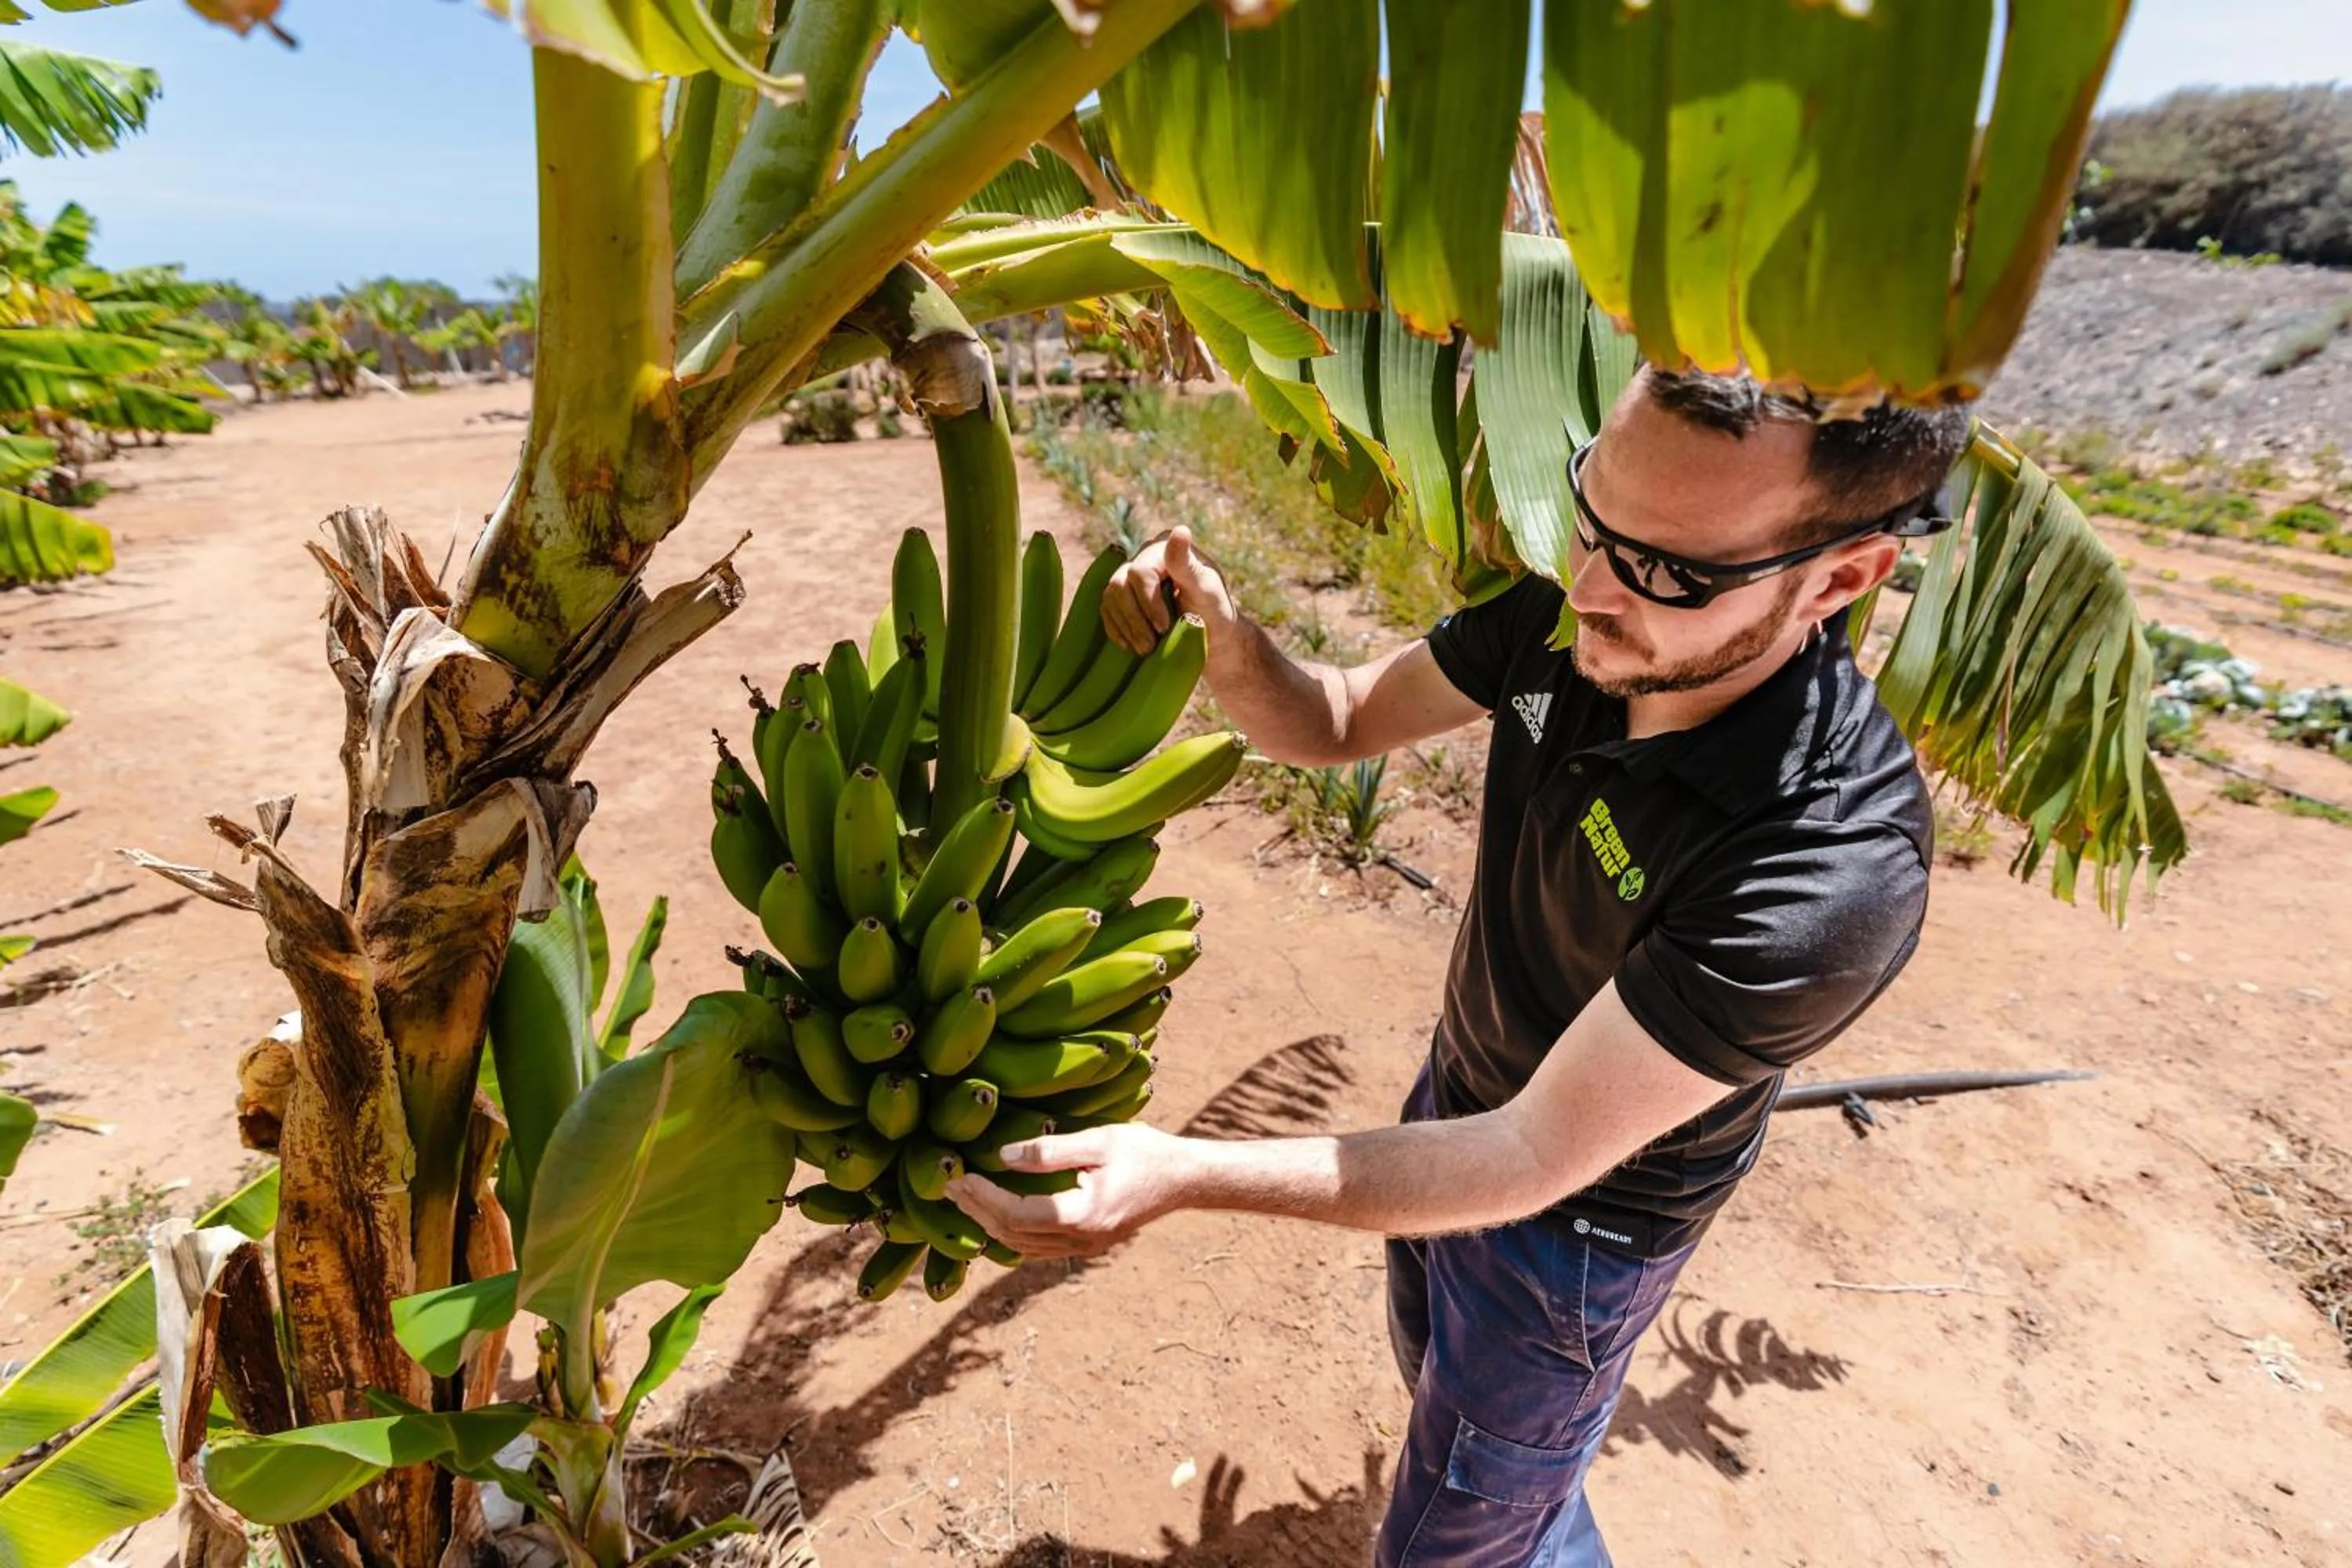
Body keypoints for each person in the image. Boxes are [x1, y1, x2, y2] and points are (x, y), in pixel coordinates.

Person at [945, 366, 1974, 1566]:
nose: (1588, 590)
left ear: (1839, 579)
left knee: (1449, 1538)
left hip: (1577, 1236)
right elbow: (1332, 719)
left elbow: (1535, 1153)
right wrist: (1225, 641)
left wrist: (1177, 1171)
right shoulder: (1573, 612)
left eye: (1668, 572)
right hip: (1452, 1107)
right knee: (1484, 1446)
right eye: (1594, 518)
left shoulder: (1828, 864)